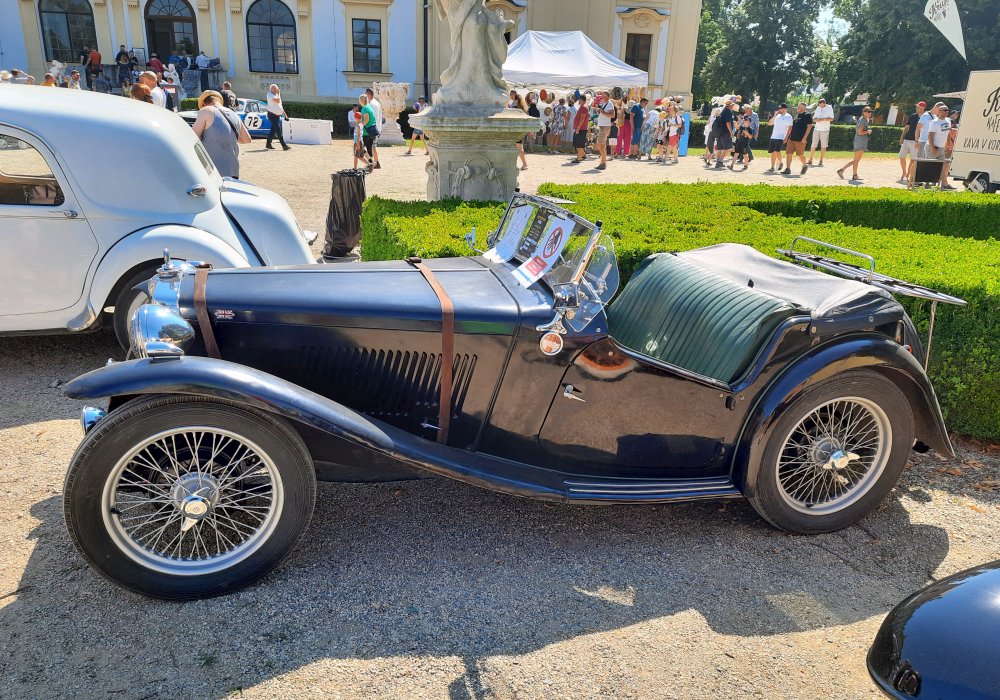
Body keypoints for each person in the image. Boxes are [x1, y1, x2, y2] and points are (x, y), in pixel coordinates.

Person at [192, 90, 252, 178]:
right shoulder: (235, 115)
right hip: (233, 170)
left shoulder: (206, 110)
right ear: (219, 101)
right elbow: (247, 139)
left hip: (212, 172)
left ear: (204, 104)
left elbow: (193, 137)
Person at [837, 106, 872, 181]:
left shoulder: (864, 119)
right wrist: (868, 131)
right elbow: (860, 132)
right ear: (864, 112)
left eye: (870, 111)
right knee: (856, 160)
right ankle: (852, 174)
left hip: (860, 141)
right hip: (860, 141)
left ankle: (844, 171)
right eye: (868, 111)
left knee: (856, 160)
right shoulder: (863, 120)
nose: (870, 113)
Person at [925, 102, 953, 190]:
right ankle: (927, 184)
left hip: (941, 148)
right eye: (945, 110)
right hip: (932, 147)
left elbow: (948, 133)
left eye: (947, 110)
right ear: (939, 111)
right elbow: (930, 136)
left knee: (943, 166)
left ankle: (944, 185)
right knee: (930, 165)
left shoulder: (948, 120)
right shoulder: (934, 122)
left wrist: (948, 145)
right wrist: (933, 148)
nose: (947, 112)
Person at [783, 102, 813, 175]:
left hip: (800, 139)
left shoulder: (807, 115)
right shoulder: (797, 116)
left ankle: (805, 165)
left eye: (799, 107)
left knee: (800, 154)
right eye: (798, 107)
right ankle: (788, 169)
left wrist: (804, 138)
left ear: (804, 108)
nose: (798, 108)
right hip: (792, 138)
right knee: (789, 153)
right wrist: (787, 137)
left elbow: (809, 127)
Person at [898, 101, 925, 182]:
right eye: (917, 107)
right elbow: (906, 128)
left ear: (923, 108)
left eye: (919, 107)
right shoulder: (913, 116)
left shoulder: (925, 117)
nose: (917, 108)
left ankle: (908, 175)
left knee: (913, 159)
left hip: (916, 141)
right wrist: (902, 137)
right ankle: (904, 172)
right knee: (901, 157)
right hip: (907, 139)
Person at [766, 103, 793, 173]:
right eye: (779, 108)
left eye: (780, 108)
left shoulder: (788, 116)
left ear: (785, 109)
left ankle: (780, 162)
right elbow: (769, 123)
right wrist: (775, 116)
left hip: (781, 137)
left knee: (776, 151)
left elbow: (790, 128)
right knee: (773, 153)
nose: (779, 109)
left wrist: (786, 138)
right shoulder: (777, 116)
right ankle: (772, 167)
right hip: (773, 136)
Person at [807, 98, 834, 166]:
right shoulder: (818, 108)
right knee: (813, 145)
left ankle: (821, 160)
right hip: (817, 128)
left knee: (823, 145)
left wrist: (823, 119)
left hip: (825, 129)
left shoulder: (829, 108)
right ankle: (810, 159)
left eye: (822, 105)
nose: (820, 106)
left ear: (824, 103)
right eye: (819, 105)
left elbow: (832, 118)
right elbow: (814, 118)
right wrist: (817, 120)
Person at [264, 84, 290, 150]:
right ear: (272, 89)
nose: (277, 90)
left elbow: (280, 106)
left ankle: (268, 144)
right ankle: (284, 145)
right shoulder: (269, 94)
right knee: (278, 130)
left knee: (273, 130)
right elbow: (277, 101)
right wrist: (278, 94)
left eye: (277, 88)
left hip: (277, 116)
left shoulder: (277, 95)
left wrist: (285, 115)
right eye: (275, 89)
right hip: (272, 115)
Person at [508, 90, 529, 169]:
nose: (511, 95)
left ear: (515, 95)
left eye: (512, 94)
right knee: (518, 147)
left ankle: (524, 164)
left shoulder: (515, 104)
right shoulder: (516, 103)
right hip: (517, 128)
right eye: (510, 94)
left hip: (516, 129)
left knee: (518, 147)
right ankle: (523, 164)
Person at [595, 91, 615, 170]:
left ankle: (603, 162)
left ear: (608, 96)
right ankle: (603, 162)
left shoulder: (610, 104)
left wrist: (602, 112)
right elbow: (603, 112)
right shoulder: (604, 103)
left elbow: (612, 115)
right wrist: (600, 112)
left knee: (600, 144)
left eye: (604, 95)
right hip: (603, 125)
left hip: (605, 126)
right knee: (602, 145)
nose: (602, 96)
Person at [712, 100, 735, 168]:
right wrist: (731, 132)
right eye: (732, 105)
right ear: (730, 106)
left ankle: (718, 162)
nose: (733, 106)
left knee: (720, 148)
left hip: (720, 133)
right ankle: (720, 161)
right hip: (725, 132)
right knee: (728, 148)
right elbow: (728, 123)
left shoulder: (723, 111)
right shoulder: (728, 112)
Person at [352, 104, 374, 171]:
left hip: (358, 142)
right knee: (357, 156)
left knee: (358, 156)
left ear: (356, 118)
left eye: (354, 117)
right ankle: (355, 168)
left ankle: (369, 164)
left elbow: (358, 134)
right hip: (361, 141)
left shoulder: (357, 126)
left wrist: (357, 143)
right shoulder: (361, 124)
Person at [365, 87, 383, 168]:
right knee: (372, 147)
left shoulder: (371, 104)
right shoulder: (377, 103)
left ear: (369, 94)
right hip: (378, 127)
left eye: (365, 94)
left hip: (373, 128)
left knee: (370, 147)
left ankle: (373, 163)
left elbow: (372, 117)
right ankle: (375, 162)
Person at [359, 93, 378, 164]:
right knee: (369, 148)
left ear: (361, 101)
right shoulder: (369, 106)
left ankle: (370, 163)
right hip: (372, 131)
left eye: (359, 100)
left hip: (366, 132)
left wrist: (360, 126)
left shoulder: (364, 108)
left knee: (360, 147)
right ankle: (374, 163)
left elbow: (366, 120)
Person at [571, 94, 589, 163]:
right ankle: (583, 155)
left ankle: (579, 158)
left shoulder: (584, 107)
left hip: (581, 128)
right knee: (578, 143)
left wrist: (578, 127)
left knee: (579, 144)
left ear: (581, 100)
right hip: (581, 128)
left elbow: (582, 118)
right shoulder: (583, 107)